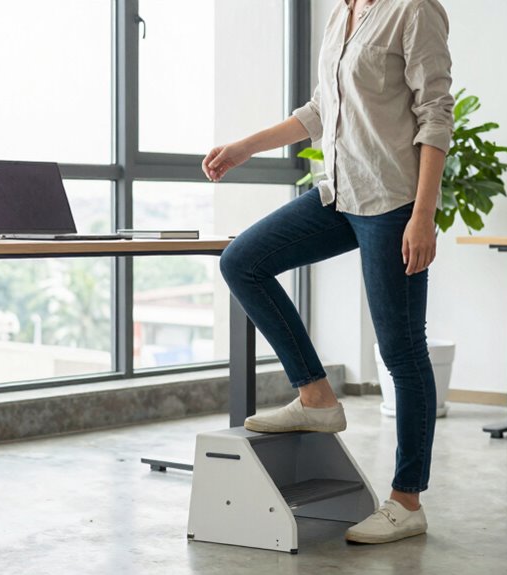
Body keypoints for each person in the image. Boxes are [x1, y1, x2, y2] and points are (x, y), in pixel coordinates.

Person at [202, 0, 454, 545]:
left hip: (393, 202)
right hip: (340, 194)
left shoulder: (413, 10)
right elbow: (321, 109)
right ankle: (316, 396)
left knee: (402, 351)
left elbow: (436, 114)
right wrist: (245, 148)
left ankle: (407, 501)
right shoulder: (342, 14)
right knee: (243, 261)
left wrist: (424, 215)